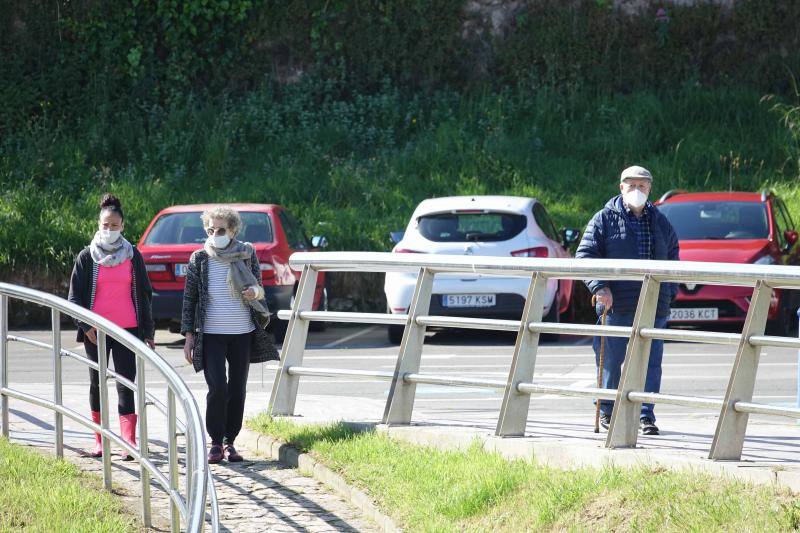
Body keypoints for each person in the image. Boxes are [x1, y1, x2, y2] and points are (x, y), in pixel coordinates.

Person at [575, 166, 679, 436]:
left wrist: (669, 292)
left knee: (651, 363)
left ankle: (645, 415)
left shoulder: (660, 221)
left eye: (642, 186)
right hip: (617, 305)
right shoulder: (603, 219)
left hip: (654, 305)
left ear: (650, 189)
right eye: (631, 185)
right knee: (609, 361)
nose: (637, 190)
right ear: (621, 187)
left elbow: (674, 259)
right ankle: (608, 410)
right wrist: (600, 287)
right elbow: (585, 256)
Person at [181, 206, 278, 464]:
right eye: (210, 230)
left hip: (242, 333)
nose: (215, 234)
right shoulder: (199, 258)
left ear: (234, 230)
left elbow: (259, 287)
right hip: (211, 333)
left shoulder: (246, 254)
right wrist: (189, 336)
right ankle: (214, 442)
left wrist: (254, 293)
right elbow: (190, 299)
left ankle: (230, 442)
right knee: (217, 389)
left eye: (221, 229)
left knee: (237, 389)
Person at [68, 194, 155, 458]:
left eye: (114, 226)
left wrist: (148, 333)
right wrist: (85, 326)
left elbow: (145, 295)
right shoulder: (87, 257)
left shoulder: (133, 255)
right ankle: (100, 439)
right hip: (96, 332)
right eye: (105, 225)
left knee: (126, 383)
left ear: (122, 226)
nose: (109, 230)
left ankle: (129, 441)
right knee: (97, 383)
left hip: (128, 330)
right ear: (98, 224)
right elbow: (74, 298)